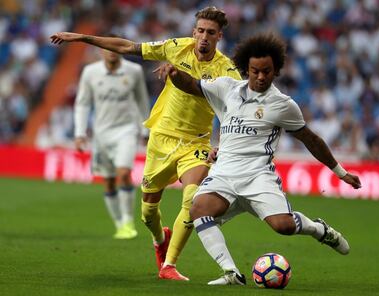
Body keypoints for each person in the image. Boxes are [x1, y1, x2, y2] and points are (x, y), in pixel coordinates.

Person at [50, 7, 241, 281]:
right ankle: (158, 239)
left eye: (211, 33)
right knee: (148, 211)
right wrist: (81, 37)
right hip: (162, 138)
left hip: (195, 143)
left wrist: (222, 143)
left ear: (219, 36)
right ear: (193, 32)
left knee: (192, 199)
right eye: (200, 31)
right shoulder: (176, 47)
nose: (204, 37)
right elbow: (128, 46)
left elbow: (233, 111)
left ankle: (170, 265)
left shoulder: (227, 70)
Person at [159, 33, 362, 285]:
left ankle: (319, 229)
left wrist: (341, 172)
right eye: (255, 71)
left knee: (284, 227)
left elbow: (311, 139)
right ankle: (231, 273)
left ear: (276, 70)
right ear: (246, 69)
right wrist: (175, 74)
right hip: (223, 174)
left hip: (258, 177)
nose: (261, 76)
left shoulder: (282, 105)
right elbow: (193, 85)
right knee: (198, 208)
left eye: (267, 71)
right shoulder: (227, 88)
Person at [74, 43, 150, 240]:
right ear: (101, 50)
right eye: (107, 47)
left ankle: (127, 221)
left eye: (115, 47)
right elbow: (82, 103)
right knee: (108, 181)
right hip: (101, 134)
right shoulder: (91, 72)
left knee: (124, 173)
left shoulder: (133, 71)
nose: (111, 50)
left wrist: (145, 128)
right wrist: (80, 132)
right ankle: (118, 224)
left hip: (126, 130)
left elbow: (142, 100)